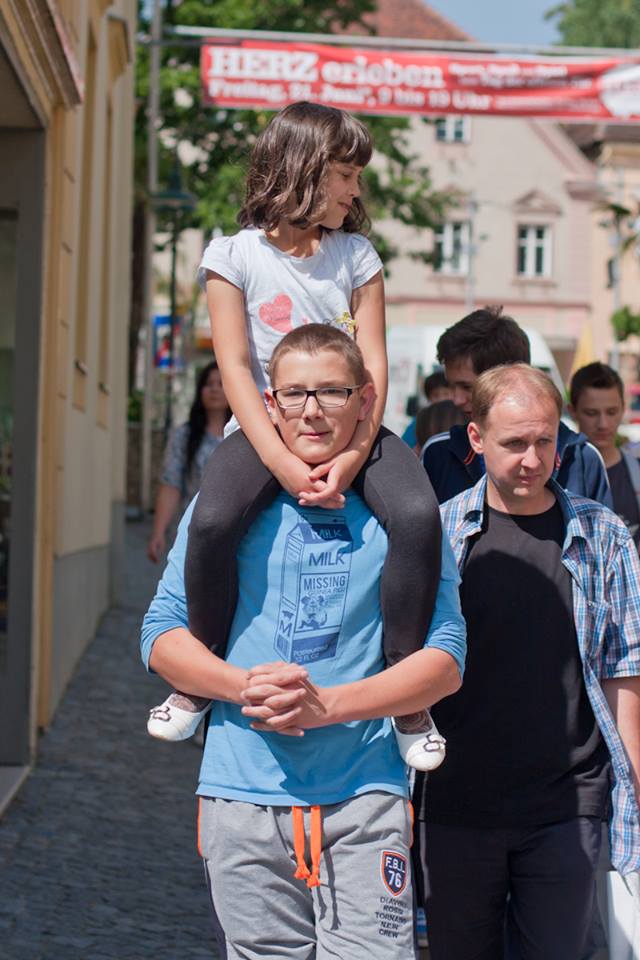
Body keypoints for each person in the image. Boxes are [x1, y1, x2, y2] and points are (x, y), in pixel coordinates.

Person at [141, 326, 467, 960]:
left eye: (332, 392)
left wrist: (331, 706)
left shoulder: (402, 513)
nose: (312, 411)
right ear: (270, 403)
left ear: (365, 400)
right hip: (242, 794)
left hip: (365, 796)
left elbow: (445, 657)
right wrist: (242, 686)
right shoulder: (225, 507)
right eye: (294, 394)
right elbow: (161, 634)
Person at [149, 101, 444, 771]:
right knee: (213, 522)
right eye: (346, 175)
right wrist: (281, 462)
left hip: (355, 425)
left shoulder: (356, 256)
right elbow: (234, 368)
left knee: (418, 515)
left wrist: (355, 455)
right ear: (305, 169)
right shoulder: (232, 256)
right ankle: (199, 675)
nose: (355, 191)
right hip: (265, 428)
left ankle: (406, 692)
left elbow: (374, 366)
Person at [420, 363, 640, 960]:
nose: (532, 459)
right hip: (456, 801)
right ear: (476, 438)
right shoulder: (439, 534)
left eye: (545, 441)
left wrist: (631, 788)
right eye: (515, 443)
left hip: (568, 804)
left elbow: (623, 668)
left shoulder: (603, 535)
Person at [422, 306, 612, 507]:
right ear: (476, 440)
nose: (457, 400)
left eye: (467, 387)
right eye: (451, 386)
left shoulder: (581, 459)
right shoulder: (438, 454)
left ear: (512, 377)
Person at [147, 361, 230, 563]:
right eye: (208, 384)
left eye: (221, 383)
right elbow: (171, 484)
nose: (214, 389)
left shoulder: (245, 434)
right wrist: (158, 532)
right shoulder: (184, 436)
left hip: (235, 534)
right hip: (193, 534)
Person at [569, 361, 640, 550]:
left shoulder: (636, 470)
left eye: (611, 412)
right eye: (591, 413)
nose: (603, 424)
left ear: (623, 409)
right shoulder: (559, 472)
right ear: (572, 411)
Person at [402, 370, 452, 450]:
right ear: (428, 398)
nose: (441, 399)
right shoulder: (420, 421)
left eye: (446, 394)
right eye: (436, 395)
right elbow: (405, 447)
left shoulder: (461, 417)